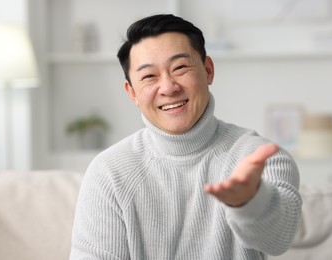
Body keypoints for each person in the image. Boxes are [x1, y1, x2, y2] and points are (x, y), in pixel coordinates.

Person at [70, 14, 302, 260]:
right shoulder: (109, 171)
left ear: (208, 70)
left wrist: (249, 203)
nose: (169, 88)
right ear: (132, 93)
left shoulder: (257, 157)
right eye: (149, 76)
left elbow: (279, 240)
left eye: (180, 68)